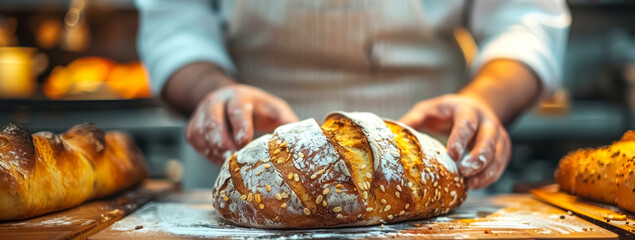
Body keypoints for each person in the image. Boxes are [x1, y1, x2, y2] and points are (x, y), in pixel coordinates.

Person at [137, 0, 570, 189]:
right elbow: (175, 23)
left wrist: (483, 103)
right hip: (246, 154)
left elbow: (525, 19)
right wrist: (214, 92)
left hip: (429, 150)